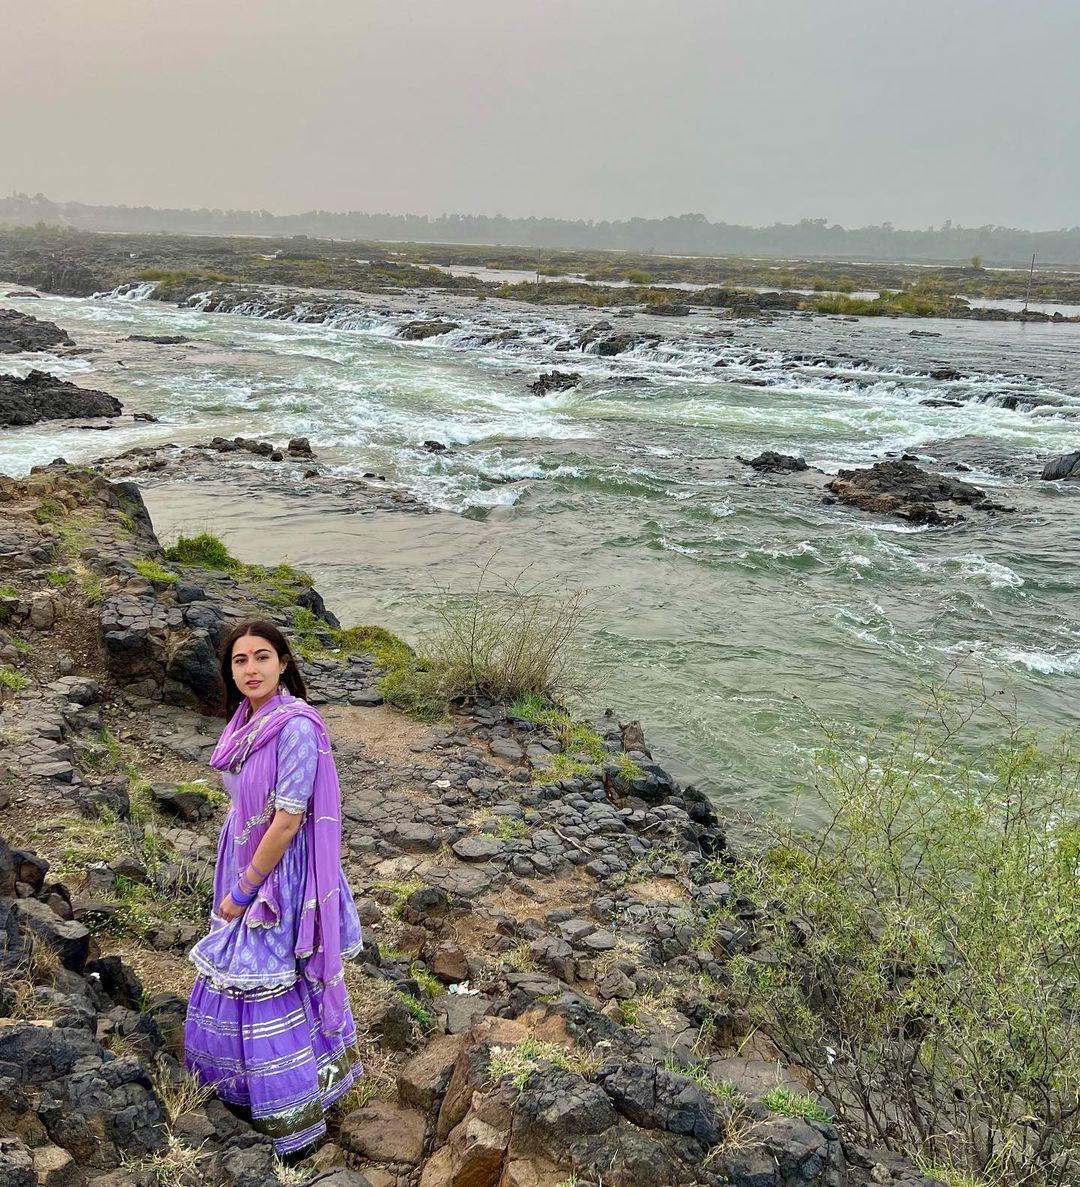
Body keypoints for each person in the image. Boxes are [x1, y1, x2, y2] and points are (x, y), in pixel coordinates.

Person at [183, 618, 364, 1157]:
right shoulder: (244, 721)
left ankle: (290, 1117)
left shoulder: (296, 727)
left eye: (262, 656)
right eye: (240, 660)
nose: (251, 668)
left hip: (277, 878)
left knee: (270, 979)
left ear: (283, 663)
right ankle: (238, 1090)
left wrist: (244, 891)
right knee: (250, 978)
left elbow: (286, 821)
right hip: (244, 855)